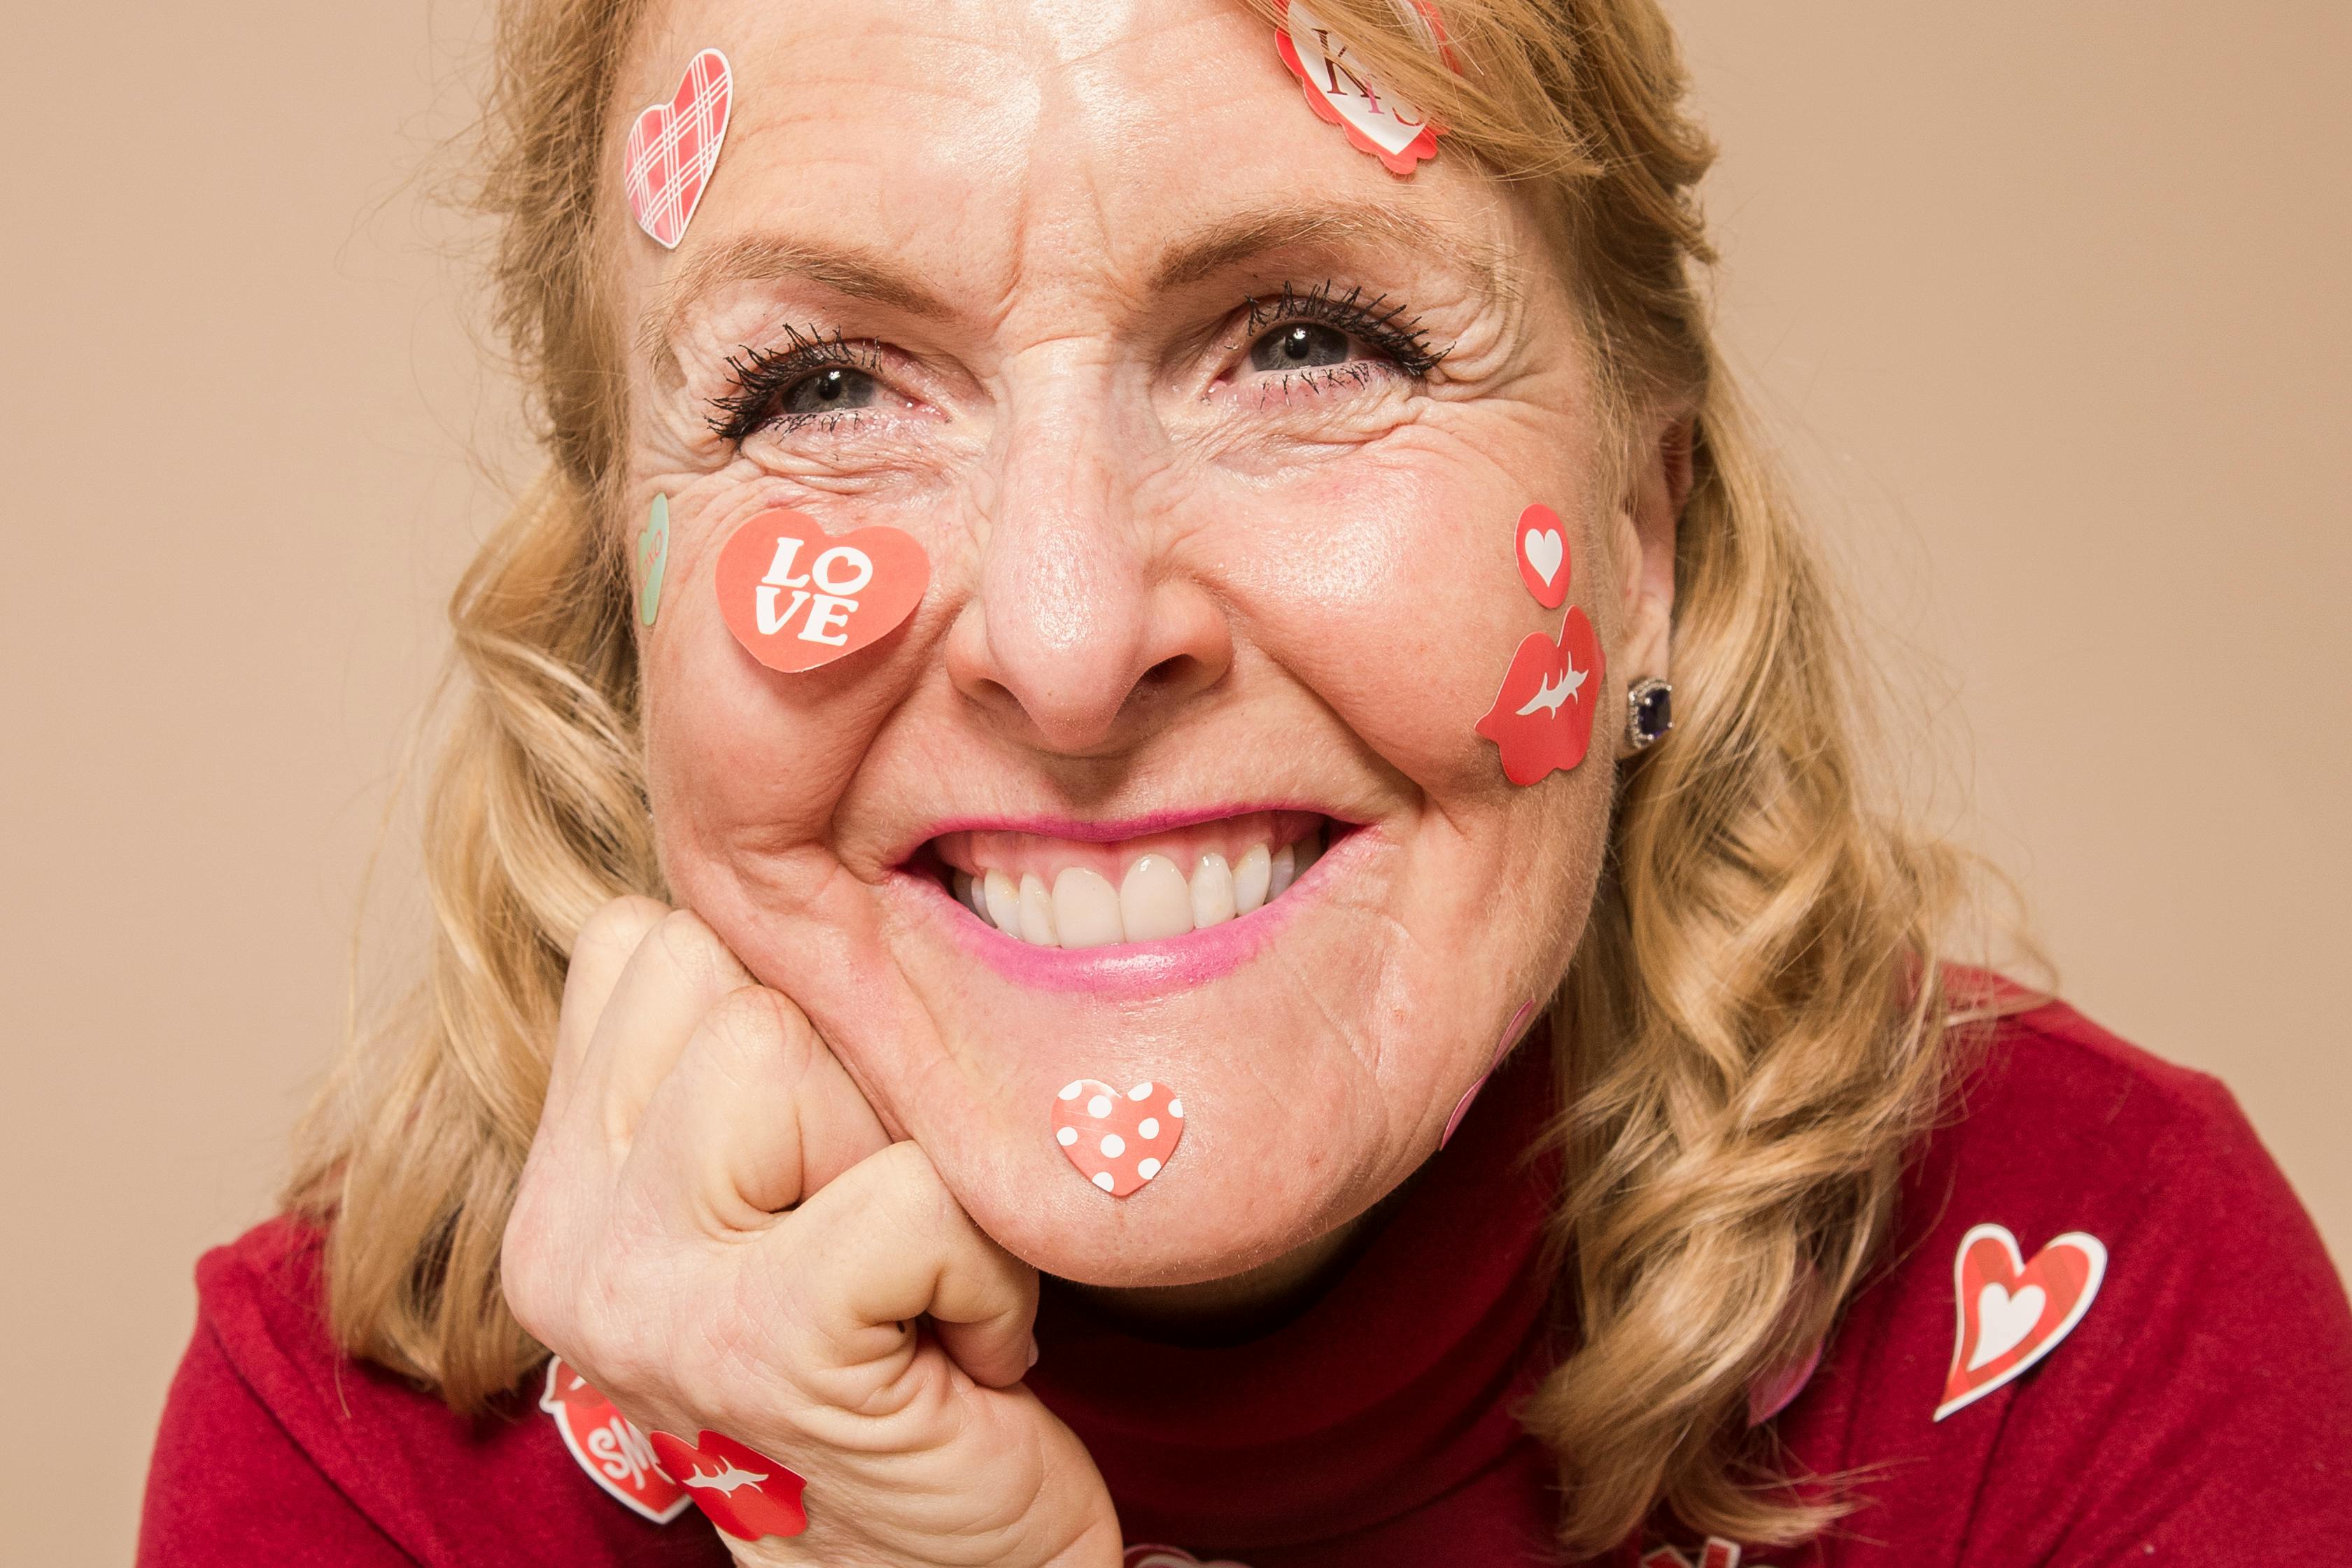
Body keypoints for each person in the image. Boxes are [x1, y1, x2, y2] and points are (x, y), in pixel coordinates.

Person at [136, 1, 2352, 1562]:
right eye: (824, 385)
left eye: (1311, 340)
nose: (1076, 637)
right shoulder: (364, 1464)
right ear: (626, 612)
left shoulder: (2085, 1309)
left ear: (1649, 540)